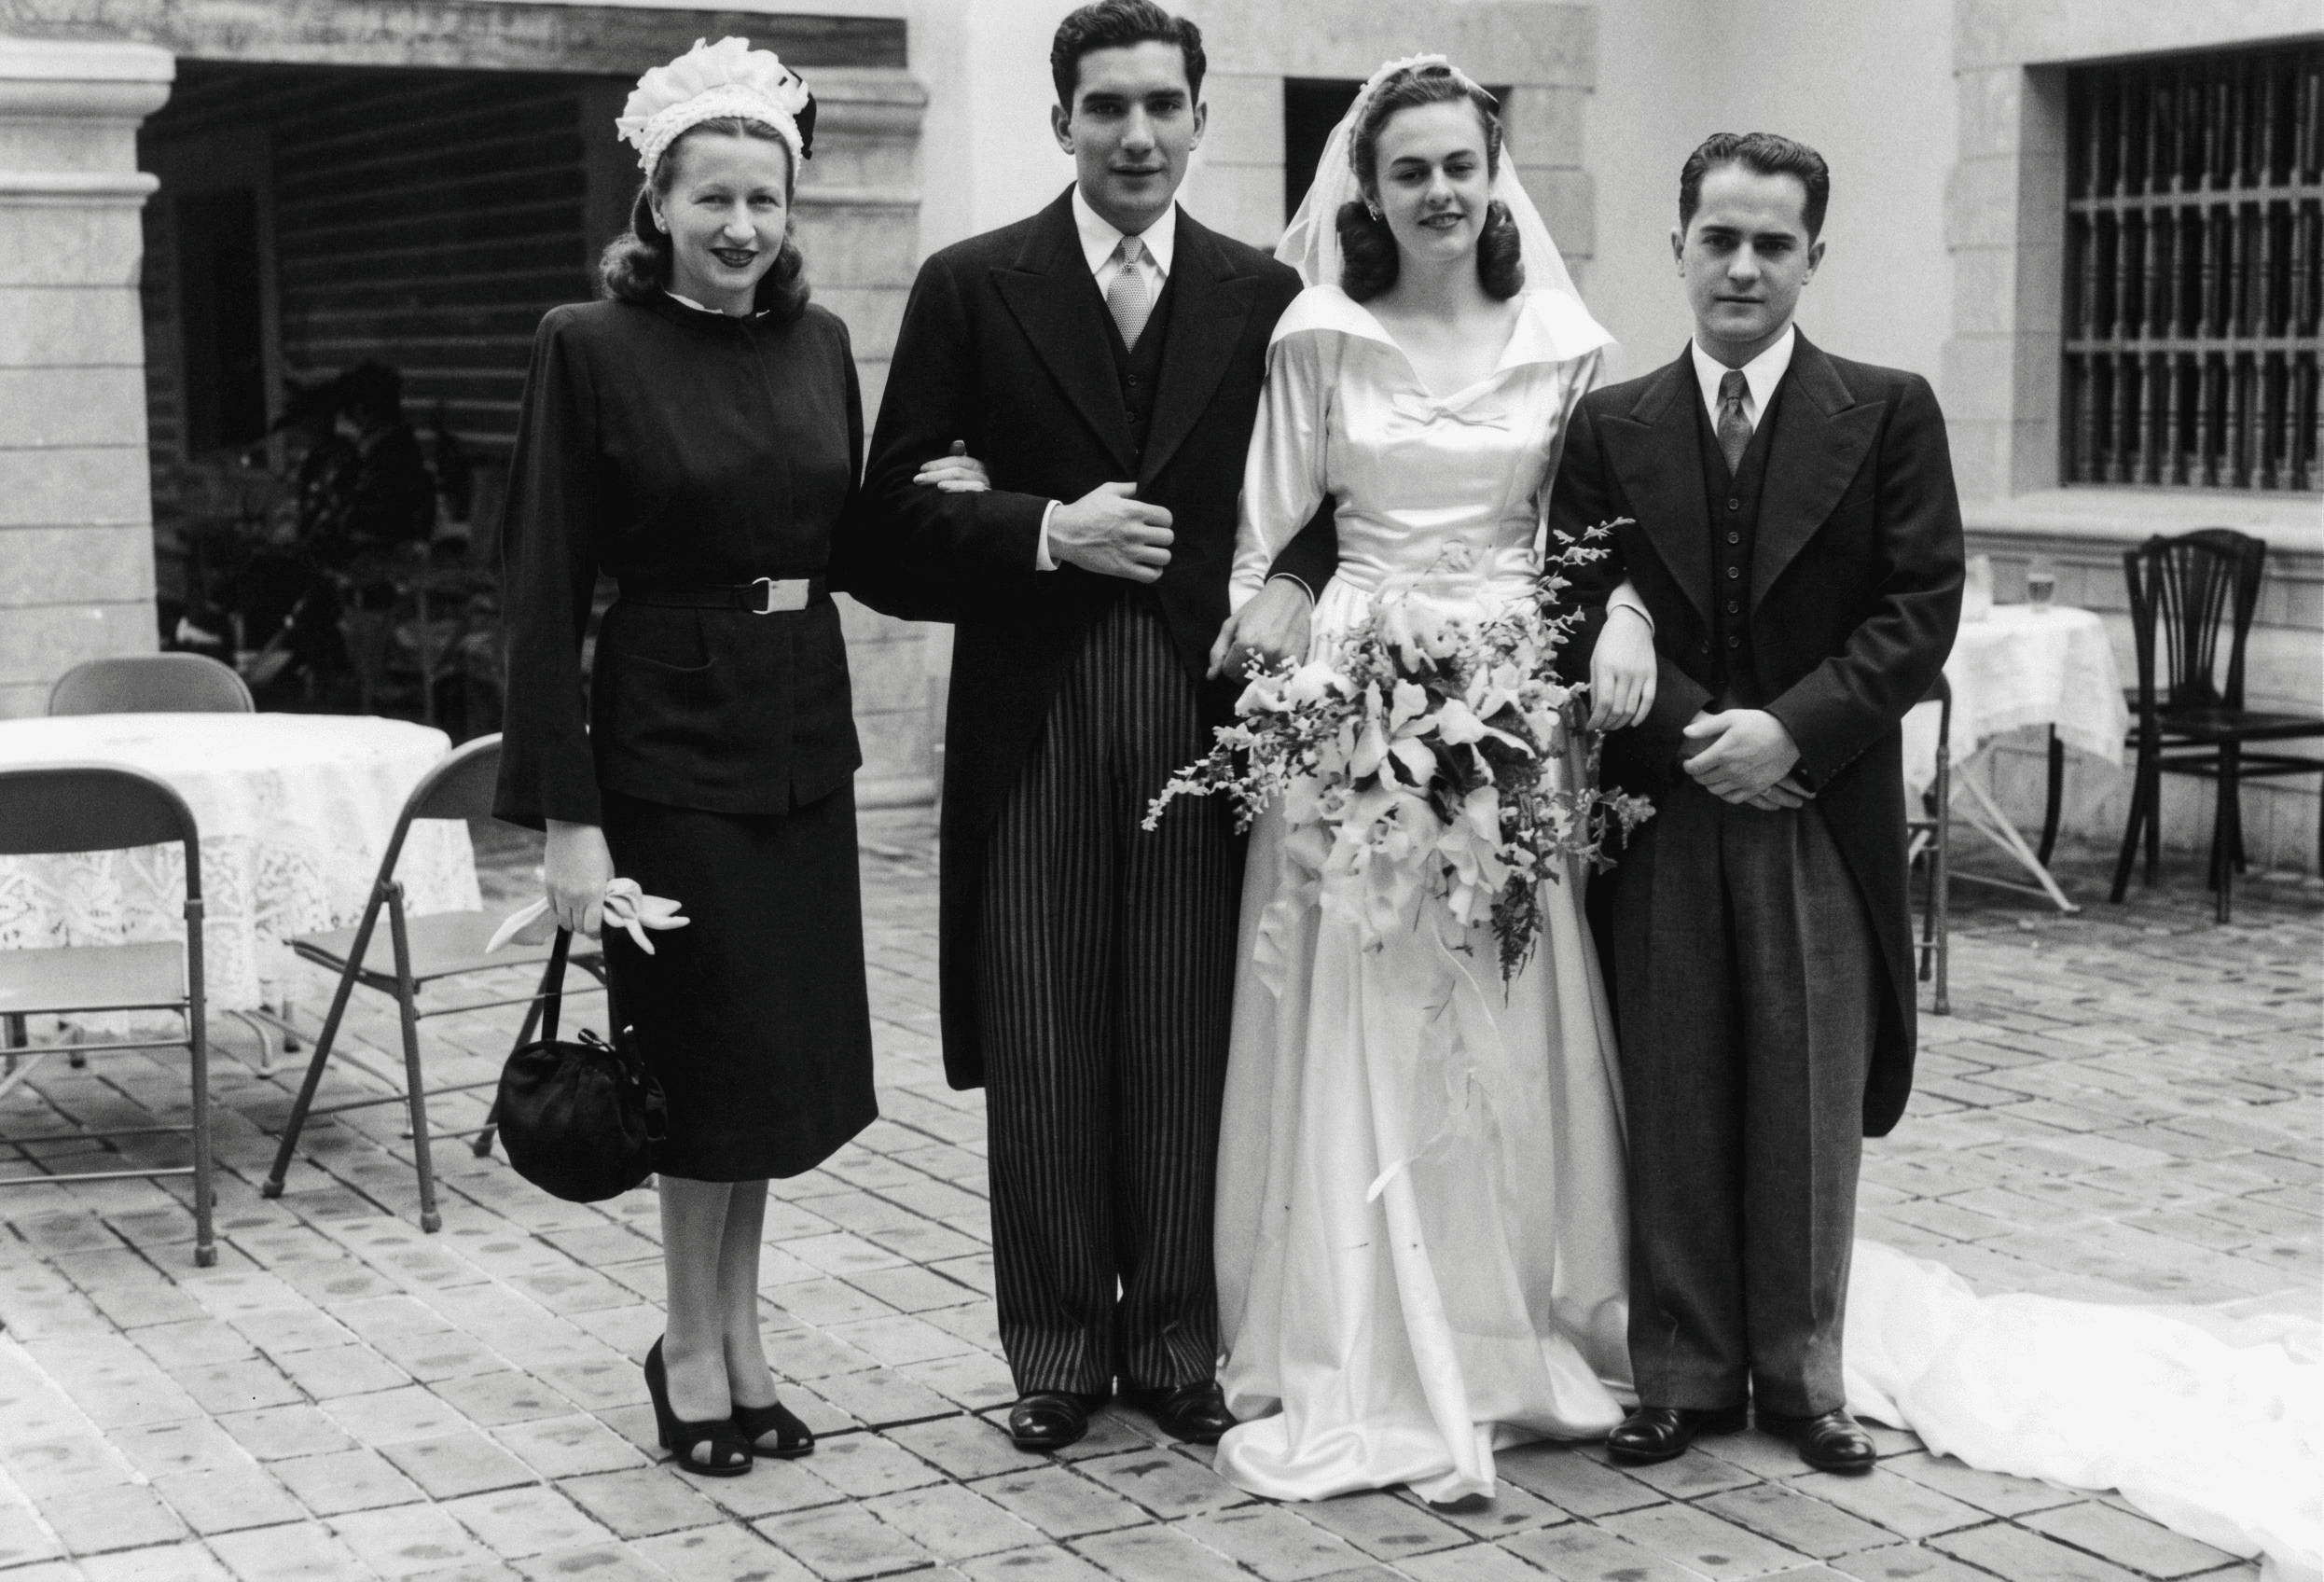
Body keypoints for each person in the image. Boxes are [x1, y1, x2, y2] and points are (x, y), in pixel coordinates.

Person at [839, 0, 1338, 1453]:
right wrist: (1045, 528)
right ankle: (1055, 1345)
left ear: (1199, 118)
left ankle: (1179, 1339)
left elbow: (1325, 501)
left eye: (1162, 106)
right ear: (1062, 120)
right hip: (1037, 709)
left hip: (1205, 707)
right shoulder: (973, 286)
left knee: (1187, 1026)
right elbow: (882, 527)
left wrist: (1296, 588)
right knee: (1047, 1027)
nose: (1135, 134)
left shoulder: (1264, 298)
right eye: (1105, 106)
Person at [1207, 57, 1661, 1504]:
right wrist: (1307, 702)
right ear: (1371, 188)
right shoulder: (1320, 336)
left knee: (1506, 1003)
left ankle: (1510, 1319)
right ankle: (1358, 1337)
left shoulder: (1562, 339)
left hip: (1512, 707)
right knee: (1365, 1009)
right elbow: (1268, 538)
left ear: (1493, 168)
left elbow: (1593, 532)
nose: (1439, 193)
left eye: (1459, 164)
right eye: (1409, 172)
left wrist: (1583, 651)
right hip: (1358, 710)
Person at [1552, 132, 1962, 1475]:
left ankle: (1800, 1374)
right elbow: (1573, 609)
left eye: (1771, 244)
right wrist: (1694, 738)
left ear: (1812, 260)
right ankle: (1675, 1367)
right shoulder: (1610, 428)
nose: (1742, 266)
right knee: (1672, 1088)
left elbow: (1917, 612)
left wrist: (1794, 728)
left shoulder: (1887, 409)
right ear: (1678, 246)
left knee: (1804, 1094)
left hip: (1813, 810)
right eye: (1718, 238)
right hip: (1666, 812)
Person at [495, 37, 874, 1478]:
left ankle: (740, 1329)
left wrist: (1001, 517)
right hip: (664, 749)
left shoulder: (820, 340)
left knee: (771, 1072)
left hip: (799, 736)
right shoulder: (586, 345)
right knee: (697, 1067)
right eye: (709, 197)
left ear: (790, 208)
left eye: (763, 201)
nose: (738, 228)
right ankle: (687, 1342)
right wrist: (565, 821)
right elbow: (538, 593)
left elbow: (857, 531)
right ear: (655, 201)